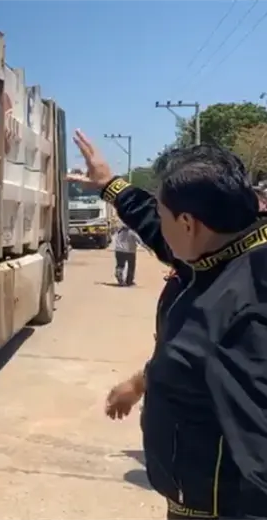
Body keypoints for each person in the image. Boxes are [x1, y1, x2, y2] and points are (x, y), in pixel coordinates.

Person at [70, 129, 267, 519]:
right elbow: (193, 354)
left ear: (190, 223)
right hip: (190, 493)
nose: (158, 232)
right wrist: (110, 185)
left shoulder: (250, 306)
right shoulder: (219, 249)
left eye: (164, 218)